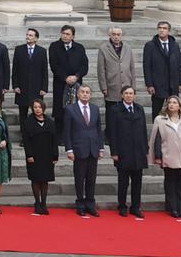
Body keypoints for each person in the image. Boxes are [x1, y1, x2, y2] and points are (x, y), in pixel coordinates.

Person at [108, 84, 150, 218]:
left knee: (137, 182)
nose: (128, 96)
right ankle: (122, 206)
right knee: (123, 182)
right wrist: (114, 152)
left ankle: (135, 206)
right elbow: (112, 132)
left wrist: (146, 149)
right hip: (123, 152)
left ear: (134, 95)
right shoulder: (115, 110)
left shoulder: (139, 109)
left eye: (131, 93)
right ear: (121, 95)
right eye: (126, 93)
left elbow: (143, 130)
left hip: (138, 152)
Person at [62, 83, 105, 216]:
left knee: (91, 179)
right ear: (78, 94)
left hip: (93, 148)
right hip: (78, 149)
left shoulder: (95, 109)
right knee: (80, 178)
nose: (85, 94)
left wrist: (101, 147)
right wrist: (69, 149)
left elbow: (98, 129)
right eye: (83, 92)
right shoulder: (70, 109)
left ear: (90, 95)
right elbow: (67, 131)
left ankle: (90, 204)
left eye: (87, 92)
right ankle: (80, 203)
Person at [20, 96, 59, 215]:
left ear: (43, 108)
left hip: (47, 155)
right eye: (35, 107)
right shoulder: (28, 122)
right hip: (34, 155)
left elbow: (54, 140)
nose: (37, 109)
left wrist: (55, 156)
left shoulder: (50, 122)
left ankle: (44, 203)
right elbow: (26, 141)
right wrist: (29, 155)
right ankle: (37, 202)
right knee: (36, 179)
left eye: (39, 107)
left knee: (45, 180)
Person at [144, 21, 181, 117]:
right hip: (157, 84)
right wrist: (149, 84)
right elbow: (146, 66)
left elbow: (180, 64)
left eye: (164, 28)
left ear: (169, 31)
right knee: (157, 111)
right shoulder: (150, 45)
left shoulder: (175, 45)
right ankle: (157, 130)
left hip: (173, 83)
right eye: (160, 28)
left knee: (174, 110)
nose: (161, 30)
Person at [11, 28, 49, 128]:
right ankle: (23, 136)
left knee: (36, 111)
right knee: (22, 113)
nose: (28, 37)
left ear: (36, 38)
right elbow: (15, 69)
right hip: (22, 88)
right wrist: (15, 85)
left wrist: (44, 88)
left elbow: (44, 71)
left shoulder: (42, 51)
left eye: (31, 35)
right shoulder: (19, 49)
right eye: (27, 34)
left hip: (36, 88)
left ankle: (35, 133)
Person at [51, 24, 89, 111]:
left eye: (68, 34)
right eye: (63, 33)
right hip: (60, 83)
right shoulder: (54, 46)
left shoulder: (79, 48)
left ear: (73, 36)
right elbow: (54, 65)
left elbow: (84, 66)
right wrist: (65, 77)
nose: (65, 36)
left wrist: (76, 76)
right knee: (60, 110)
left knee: (75, 110)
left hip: (76, 83)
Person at [98, 26, 136, 105]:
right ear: (110, 35)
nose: (116, 37)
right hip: (111, 86)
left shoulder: (128, 48)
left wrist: (133, 87)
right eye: (114, 34)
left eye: (118, 35)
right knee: (111, 112)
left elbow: (132, 68)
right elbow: (101, 70)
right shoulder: (103, 48)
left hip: (127, 86)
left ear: (121, 36)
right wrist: (103, 87)